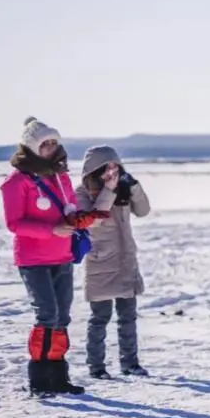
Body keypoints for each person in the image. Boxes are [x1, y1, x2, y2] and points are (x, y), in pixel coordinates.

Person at [0, 117, 98, 397]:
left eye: (55, 143)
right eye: (45, 144)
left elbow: (68, 208)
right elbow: (14, 223)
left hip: (62, 254)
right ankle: (39, 378)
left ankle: (58, 376)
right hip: (33, 259)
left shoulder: (60, 176)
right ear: (31, 147)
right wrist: (51, 229)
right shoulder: (16, 182)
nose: (52, 148)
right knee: (47, 315)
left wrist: (77, 220)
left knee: (62, 317)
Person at [75, 146, 152, 380]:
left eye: (115, 167)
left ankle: (130, 363)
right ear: (93, 170)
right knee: (100, 317)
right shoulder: (82, 193)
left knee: (128, 316)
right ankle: (96, 367)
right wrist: (107, 191)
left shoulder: (123, 190)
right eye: (106, 168)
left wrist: (134, 186)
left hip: (125, 261)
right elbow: (92, 222)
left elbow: (144, 210)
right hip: (100, 262)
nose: (112, 172)